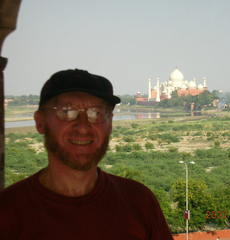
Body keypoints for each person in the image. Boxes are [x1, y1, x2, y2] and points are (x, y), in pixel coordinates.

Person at [0, 69, 174, 240]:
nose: (82, 126)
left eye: (95, 113)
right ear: (40, 122)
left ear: (110, 124)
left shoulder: (138, 202)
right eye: (67, 112)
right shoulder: (8, 212)